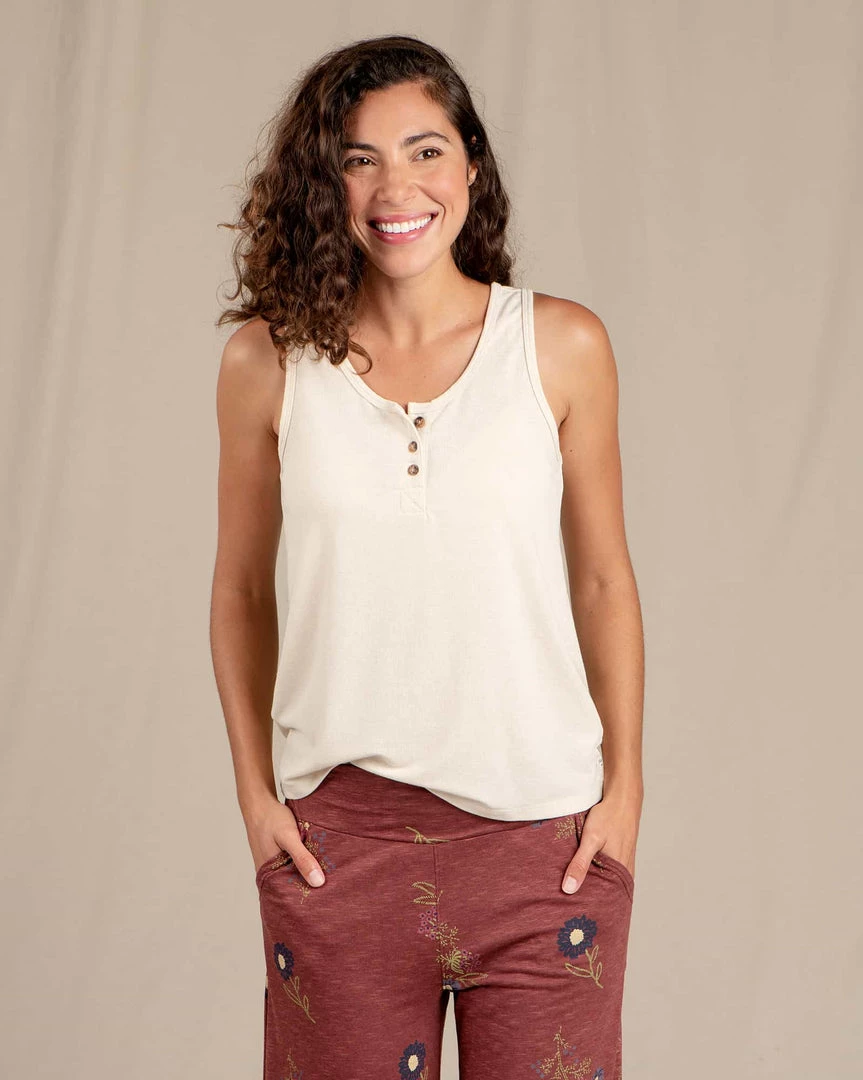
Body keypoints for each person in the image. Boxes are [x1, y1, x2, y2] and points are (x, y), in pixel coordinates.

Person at [212, 33, 644, 1080]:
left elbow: (601, 580)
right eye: (358, 159)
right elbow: (240, 590)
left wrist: (625, 787)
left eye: (424, 150)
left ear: (471, 167)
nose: (394, 188)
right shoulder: (267, 362)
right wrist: (256, 799)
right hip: (338, 849)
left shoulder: (560, 346)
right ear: (324, 183)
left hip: (544, 844)